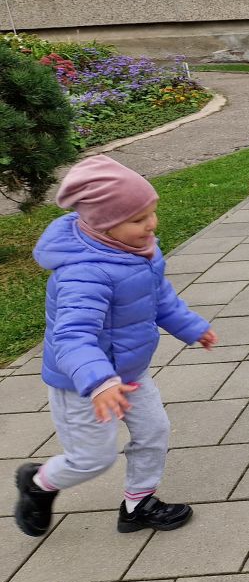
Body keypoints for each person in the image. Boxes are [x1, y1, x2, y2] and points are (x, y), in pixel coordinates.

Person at [14, 156, 217, 538]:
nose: (151, 225)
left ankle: (138, 504)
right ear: (103, 225)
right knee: (93, 458)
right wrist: (100, 383)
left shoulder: (140, 252)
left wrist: (191, 327)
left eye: (151, 213)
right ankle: (38, 484)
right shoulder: (84, 274)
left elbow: (160, 299)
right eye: (138, 219)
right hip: (83, 386)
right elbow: (72, 337)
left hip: (130, 372)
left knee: (154, 432)